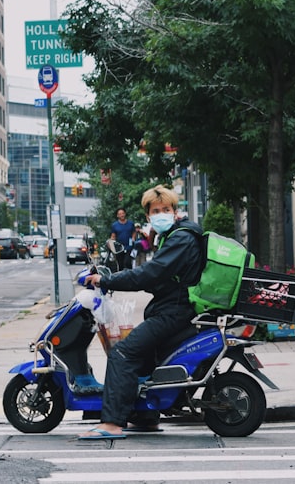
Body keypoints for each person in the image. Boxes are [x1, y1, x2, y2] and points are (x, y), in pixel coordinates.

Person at [77, 185, 203, 440]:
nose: (161, 214)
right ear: (148, 217)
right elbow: (160, 277)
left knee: (122, 353)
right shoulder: (174, 236)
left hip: (174, 313)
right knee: (144, 356)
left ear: (175, 211)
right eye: (155, 211)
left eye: (165, 209)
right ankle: (145, 417)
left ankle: (111, 423)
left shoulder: (181, 238)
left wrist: (108, 281)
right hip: (172, 309)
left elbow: (150, 273)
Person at [108, 207, 134, 272]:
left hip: (128, 246)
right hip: (119, 248)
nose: (121, 215)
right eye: (120, 214)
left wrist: (133, 238)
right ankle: (121, 278)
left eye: (123, 213)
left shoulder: (130, 223)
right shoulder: (115, 225)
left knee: (127, 262)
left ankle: (130, 276)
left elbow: (134, 232)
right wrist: (111, 243)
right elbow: (113, 236)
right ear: (117, 215)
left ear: (125, 214)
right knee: (120, 264)